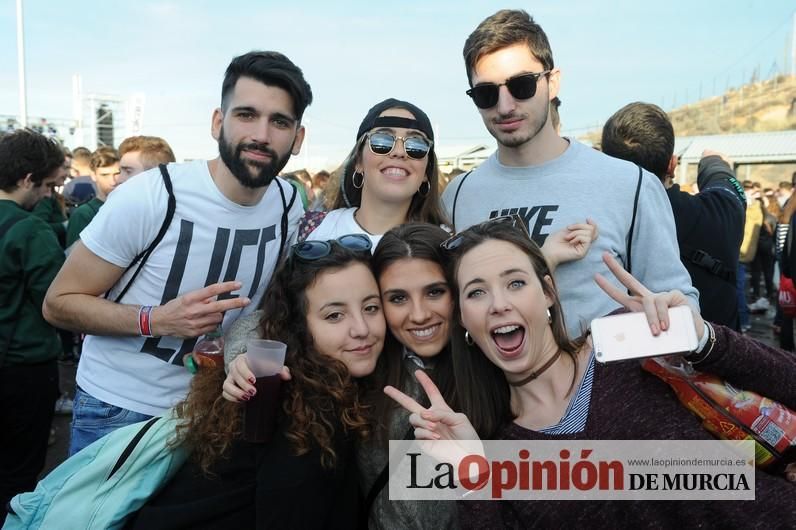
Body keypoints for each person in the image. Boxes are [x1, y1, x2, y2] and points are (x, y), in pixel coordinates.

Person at [386, 219, 796, 527]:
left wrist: (705, 339)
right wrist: (473, 476)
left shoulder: (626, 341)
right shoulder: (492, 443)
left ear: (548, 293)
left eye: (515, 283)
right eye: (477, 292)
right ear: (463, 320)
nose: (498, 304)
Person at [224, 220, 596, 529]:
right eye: (397, 298)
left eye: (435, 292)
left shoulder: (496, 360)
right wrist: (246, 359)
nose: (418, 315)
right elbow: (279, 317)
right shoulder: (367, 355)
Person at [42, 50, 310, 455]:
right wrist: (158, 319)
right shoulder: (152, 196)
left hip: (219, 408)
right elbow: (58, 304)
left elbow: (268, 306)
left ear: (298, 138)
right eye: (246, 115)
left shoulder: (289, 204)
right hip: (121, 410)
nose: (261, 134)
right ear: (218, 122)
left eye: (280, 121)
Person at [442, 9, 698, 337]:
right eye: (486, 94)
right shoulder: (459, 195)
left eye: (521, 86)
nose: (505, 106)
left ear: (552, 82)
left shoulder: (630, 185)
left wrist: (665, 321)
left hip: (607, 383)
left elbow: (678, 303)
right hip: (492, 387)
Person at [129, 239, 383, 528]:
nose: (362, 329)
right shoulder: (302, 417)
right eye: (334, 315)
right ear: (298, 327)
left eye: (371, 308)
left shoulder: (331, 385)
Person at [600, 102, 745, 330]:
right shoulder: (718, 211)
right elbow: (728, 188)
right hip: (717, 356)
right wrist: (712, 161)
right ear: (672, 164)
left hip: (621, 356)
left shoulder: (594, 223)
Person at [0, 130, 65, 525]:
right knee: (19, 471)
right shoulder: (29, 230)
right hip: (22, 367)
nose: (46, 195)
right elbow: (58, 302)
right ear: (26, 179)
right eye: (46, 185)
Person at [297, 98, 449, 247]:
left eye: (416, 144)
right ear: (358, 162)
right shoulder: (313, 228)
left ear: (426, 172)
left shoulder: (446, 247)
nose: (399, 152)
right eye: (382, 140)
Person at [64, 146, 121, 250]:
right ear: (93, 175)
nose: (113, 181)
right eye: (105, 175)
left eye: (117, 174)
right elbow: (74, 260)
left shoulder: (132, 208)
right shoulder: (83, 215)